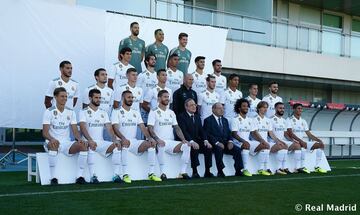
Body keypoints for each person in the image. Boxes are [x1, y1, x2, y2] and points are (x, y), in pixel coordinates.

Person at [111, 90, 162, 183]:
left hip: (133, 142)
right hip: (122, 141)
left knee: (151, 144)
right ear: (123, 99)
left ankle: (151, 174)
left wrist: (150, 138)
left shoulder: (136, 112)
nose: (131, 99)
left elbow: (142, 127)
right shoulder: (116, 111)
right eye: (128, 97)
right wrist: (123, 138)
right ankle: (125, 174)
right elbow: (115, 128)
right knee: (125, 144)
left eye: (132, 97)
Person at [42, 87, 87, 185]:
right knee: (54, 144)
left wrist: (79, 139)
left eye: (66, 96)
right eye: (62, 96)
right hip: (52, 142)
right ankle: (53, 178)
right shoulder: (49, 111)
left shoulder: (71, 112)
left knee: (83, 145)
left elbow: (75, 131)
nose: (65, 98)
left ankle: (79, 176)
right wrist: (52, 139)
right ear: (55, 97)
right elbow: (45, 133)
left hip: (66, 143)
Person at [147, 90, 191, 180]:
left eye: (168, 97)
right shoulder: (153, 112)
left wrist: (183, 139)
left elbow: (177, 127)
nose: (167, 99)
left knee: (187, 145)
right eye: (165, 97)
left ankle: (182, 172)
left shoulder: (171, 112)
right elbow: (150, 128)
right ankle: (162, 173)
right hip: (160, 142)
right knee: (161, 144)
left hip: (170, 142)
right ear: (159, 99)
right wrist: (157, 139)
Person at [79, 89, 119, 184]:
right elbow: (82, 127)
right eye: (96, 98)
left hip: (100, 142)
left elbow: (109, 129)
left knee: (117, 146)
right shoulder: (83, 112)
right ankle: (93, 176)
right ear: (90, 98)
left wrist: (115, 139)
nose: (98, 100)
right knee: (91, 145)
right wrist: (90, 140)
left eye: (100, 98)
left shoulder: (103, 113)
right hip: (88, 142)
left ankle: (116, 175)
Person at [231, 99, 270, 176]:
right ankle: (244, 169)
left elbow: (253, 133)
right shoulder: (235, 119)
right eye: (244, 106)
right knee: (247, 144)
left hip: (248, 141)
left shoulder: (249, 120)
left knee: (266, 145)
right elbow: (234, 134)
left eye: (247, 106)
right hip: (237, 142)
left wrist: (262, 140)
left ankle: (261, 169)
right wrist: (243, 141)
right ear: (239, 108)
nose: (246, 108)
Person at [203, 103, 243, 177]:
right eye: (219, 108)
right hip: (215, 144)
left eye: (223, 108)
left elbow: (228, 132)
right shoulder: (208, 120)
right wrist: (217, 143)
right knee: (219, 149)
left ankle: (238, 170)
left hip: (226, 143)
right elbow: (208, 135)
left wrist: (230, 141)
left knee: (237, 150)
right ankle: (220, 171)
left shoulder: (225, 120)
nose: (222, 110)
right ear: (213, 109)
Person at [286, 103, 327, 174]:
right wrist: (301, 141)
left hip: (302, 142)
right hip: (293, 142)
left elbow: (309, 134)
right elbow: (290, 133)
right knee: (300, 147)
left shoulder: (303, 121)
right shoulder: (289, 119)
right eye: (298, 108)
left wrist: (318, 140)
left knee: (320, 145)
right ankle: (299, 167)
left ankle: (317, 166)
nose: (300, 110)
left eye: (301, 109)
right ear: (294, 109)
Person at [177, 99, 214, 178]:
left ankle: (207, 171)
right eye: (191, 105)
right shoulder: (181, 116)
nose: (194, 107)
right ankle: (195, 171)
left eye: (195, 105)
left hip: (197, 140)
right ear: (186, 107)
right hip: (186, 140)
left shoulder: (197, 117)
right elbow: (184, 131)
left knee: (208, 148)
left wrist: (206, 140)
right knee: (194, 147)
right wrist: (191, 141)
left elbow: (201, 130)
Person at [252, 101, 288, 175]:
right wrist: (262, 140)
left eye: (266, 108)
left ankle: (279, 168)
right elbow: (254, 132)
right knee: (266, 146)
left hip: (265, 141)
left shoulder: (267, 120)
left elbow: (271, 133)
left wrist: (278, 141)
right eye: (263, 107)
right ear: (259, 108)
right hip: (256, 141)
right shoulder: (254, 119)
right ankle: (261, 169)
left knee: (283, 146)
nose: (265, 109)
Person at [271, 102, 302, 173]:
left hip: (282, 141)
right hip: (273, 141)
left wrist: (292, 140)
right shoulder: (271, 119)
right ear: (275, 109)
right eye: (280, 108)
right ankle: (279, 168)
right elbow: (270, 134)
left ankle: (297, 168)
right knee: (283, 145)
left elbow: (285, 134)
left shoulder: (284, 120)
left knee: (297, 145)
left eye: (283, 108)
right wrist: (278, 141)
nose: (282, 110)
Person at [137, 54, 158, 123]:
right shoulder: (142, 75)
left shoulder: (157, 75)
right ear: (146, 61)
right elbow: (138, 90)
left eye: (154, 59)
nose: (154, 61)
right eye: (152, 59)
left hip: (154, 106)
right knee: (144, 128)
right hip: (144, 106)